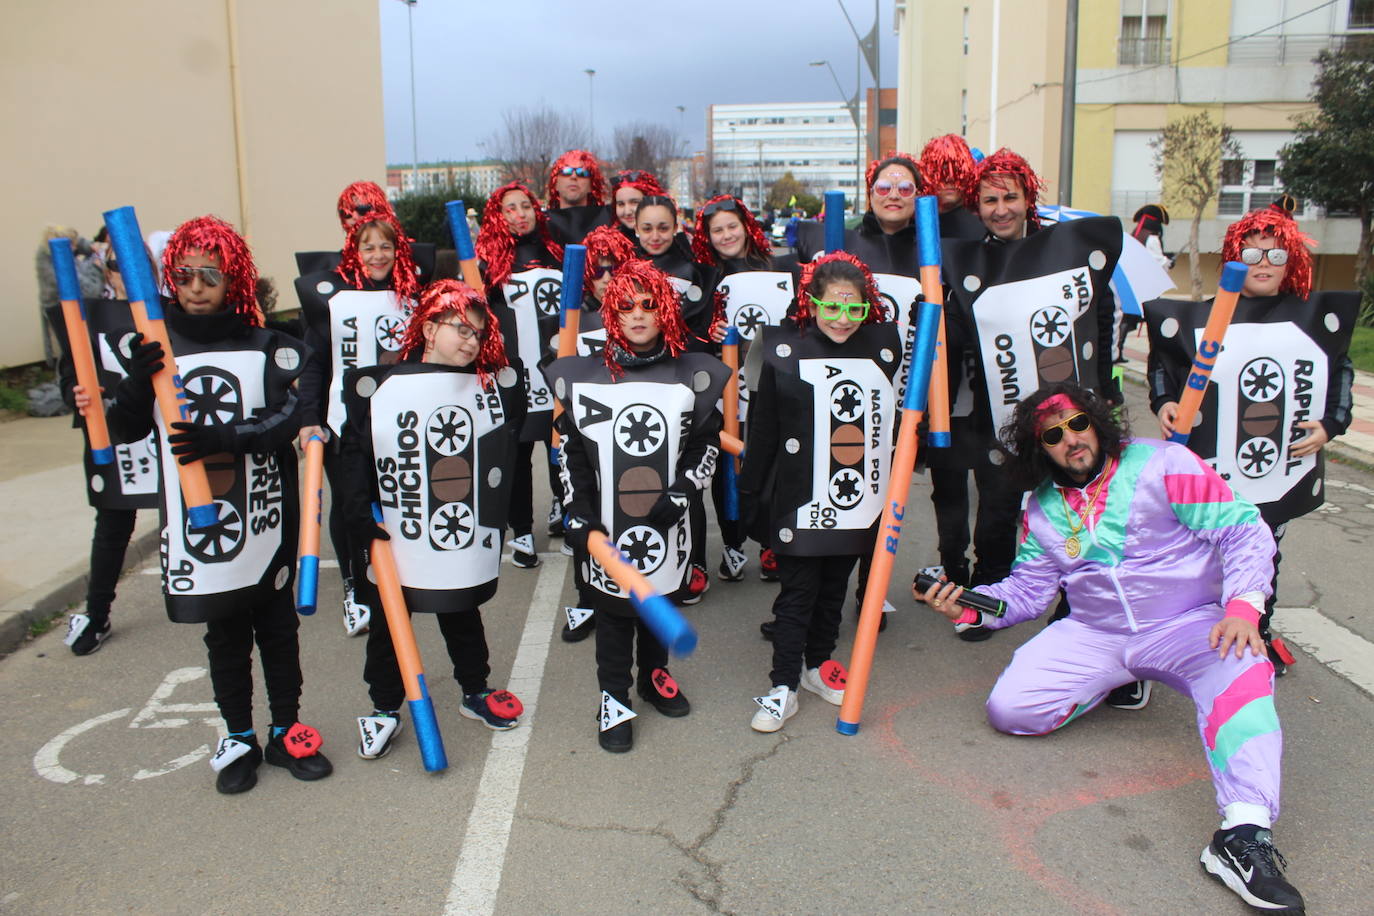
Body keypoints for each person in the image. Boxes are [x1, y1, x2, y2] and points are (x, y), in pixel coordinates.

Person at [916, 381, 1303, 915]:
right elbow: (1027, 594)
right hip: (1095, 632)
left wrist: (1243, 607)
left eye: (1077, 423)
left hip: (1188, 625)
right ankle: (1121, 676)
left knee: (1244, 668)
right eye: (1053, 434)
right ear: (1039, 448)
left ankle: (1243, 834)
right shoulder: (1042, 507)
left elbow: (1242, 530)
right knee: (1011, 710)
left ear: (1097, 421)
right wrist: (965, 605)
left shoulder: (1165, 462)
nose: (1070, 439)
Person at [105, 215, 331, 794]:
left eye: (212, 273)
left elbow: (292, 419)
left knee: (278, 631)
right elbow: (121, 431)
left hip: (267, 517)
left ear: (235, 281)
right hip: (200, 529)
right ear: (171, 281)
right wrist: (137, 381)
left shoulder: (272, 348)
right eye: (186, 274)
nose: (198, 285)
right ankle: (237, 736)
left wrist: (226, 440)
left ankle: (285, 729)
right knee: (224, 636)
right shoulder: (158, 350)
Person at [1146, 203, 1356, 679]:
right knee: (1198, 556)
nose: (1264, 263)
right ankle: (1194, 632)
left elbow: (1337, 370)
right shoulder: (1207, 317)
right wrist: (1164, 402)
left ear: (1293, 263)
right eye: (1252, 252)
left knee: (1264, 555)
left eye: (1277, 255)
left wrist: (1330, 424)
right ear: (1233, 256)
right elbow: (1165, 363)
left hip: (1275, 474)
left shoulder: (1310, 320)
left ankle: (1255, 630)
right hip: (1214, 473)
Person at [936, 148, 1122, 638]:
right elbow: (957, 334)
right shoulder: (968, 265)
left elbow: (1100, 316)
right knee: (996, 512)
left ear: (1027, 198)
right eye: (989, 199)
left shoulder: (1065, 253)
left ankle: (1079, 605)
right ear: (976, 207)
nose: (1000, 208)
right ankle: (986, 602)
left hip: (1070, 416)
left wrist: (1107, 387)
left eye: (1009, 197)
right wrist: (932, 316)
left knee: (1077, 508)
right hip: (999, 412)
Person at [339, 279, 527, 759]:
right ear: (427, 327)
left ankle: (475, 690)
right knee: (388, 622)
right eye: (460, 328)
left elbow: (509, 431)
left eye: (479, 334)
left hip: (454, 526)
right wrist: (357, 512)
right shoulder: (384, 385)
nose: (470, 340)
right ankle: (383, 707)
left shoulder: (483, 386)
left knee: (460, 608)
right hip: (396, 530)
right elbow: (355, 454)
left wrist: (507, 369)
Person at [547, 260, 729, 753]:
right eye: (625, 306)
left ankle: (654, 676)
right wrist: (577, 509)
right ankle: (614, 698)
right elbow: (573, 455)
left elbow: (705, 447)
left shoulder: (693, 375)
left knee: (659, 604)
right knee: (613, 616)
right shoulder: (582, 376)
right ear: (612, 313)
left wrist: (685, 489)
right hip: (608, 524)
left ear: (665, 309)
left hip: (668, 525)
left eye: (649, 305)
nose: (638, 315)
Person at [739, 253, 900, 733]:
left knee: (833, 592)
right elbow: (763, 431)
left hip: (854, 497)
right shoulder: (781, 349)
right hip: (798, 499)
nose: (843, 319)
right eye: (832, 308)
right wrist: (751, 498)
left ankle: (817, 666)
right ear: (810, 305)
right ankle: (782, 685)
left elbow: (891, 427)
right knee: (797, 595)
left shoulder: (882, 350)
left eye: (854, 310)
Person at [295, 211, 422, 636]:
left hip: (397, 424)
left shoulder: (414, 298)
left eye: (385, 245)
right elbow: (314, 365)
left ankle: (395, 576)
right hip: (342, 423)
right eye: (368, 246)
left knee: (392, 504)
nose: (377, 254)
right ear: (354, 252)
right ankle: (354, 588)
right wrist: (309, 418)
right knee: (349, 505)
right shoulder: (334, 302)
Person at [51, 243, 161, 655]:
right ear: (106, 270)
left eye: (136, 263)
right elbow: (69, 375)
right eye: (116, 264)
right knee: (113, 526)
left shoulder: (170, 309)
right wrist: (75, 394)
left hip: (165, 436)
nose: (125, 271)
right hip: (114, 441)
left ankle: (209, 596)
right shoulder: (88, 320)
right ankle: (97, 613)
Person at [692, 195, 799, 584]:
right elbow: (689, 333)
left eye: (731, 226)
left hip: (771, 387)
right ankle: (733, 545)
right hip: (726, 392)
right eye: (716, 229)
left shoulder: (780, 268)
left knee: (775, 468)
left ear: (746, 226)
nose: (725, 235)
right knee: (727, 473)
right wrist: (710, 333)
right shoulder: (703, 278)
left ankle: (772, 544)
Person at [553, 224, 640, 645]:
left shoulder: (641, 316)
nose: (606, 277)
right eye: (598, 269)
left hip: (635, 440)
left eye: (614, 268)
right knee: (583, 519)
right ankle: (587, 596)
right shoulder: (574, 319)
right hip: (584, 441)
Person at [475, 180, 565, 569]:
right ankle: (522, 533)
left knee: (561, 450)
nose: (520, 214)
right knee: (517, 456)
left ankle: (566, 511)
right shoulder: (488, 264)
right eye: (510, 208)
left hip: (556, 370)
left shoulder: (555, 251)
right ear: (498, 215)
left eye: (525, 205)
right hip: (514, 373)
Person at [294, 180, 437, 281]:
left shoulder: (416, 261)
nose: (355, 217)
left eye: (362, 210)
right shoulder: (332, 267)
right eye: (346, 213)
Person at [918, 134, 988, 242]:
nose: (949, 179)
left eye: (957, 172)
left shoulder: (986, 224)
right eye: (942, 172)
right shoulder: (916, 223)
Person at [545, 149, 612, 245]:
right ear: (556, 183)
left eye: (582, 173)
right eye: (566, 171)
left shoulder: (610, 218)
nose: (573, 176)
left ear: (591, 185)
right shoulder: (541, 224)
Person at [608, 169, 666, 245]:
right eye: (621, 204)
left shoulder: (670, 240)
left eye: (634, 202)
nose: (627, 211)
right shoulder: (611, 243)